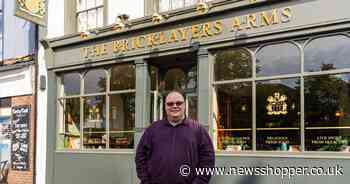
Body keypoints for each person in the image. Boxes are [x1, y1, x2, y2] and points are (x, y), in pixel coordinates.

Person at [135, 90, 215, 184]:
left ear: (184, 105)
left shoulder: (198, 130)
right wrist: (145, 181)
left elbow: (208, 160)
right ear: (165, 106)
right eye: (170, 104)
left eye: (179, 103)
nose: (174, 106)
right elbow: (140, 156)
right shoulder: (153, 129)